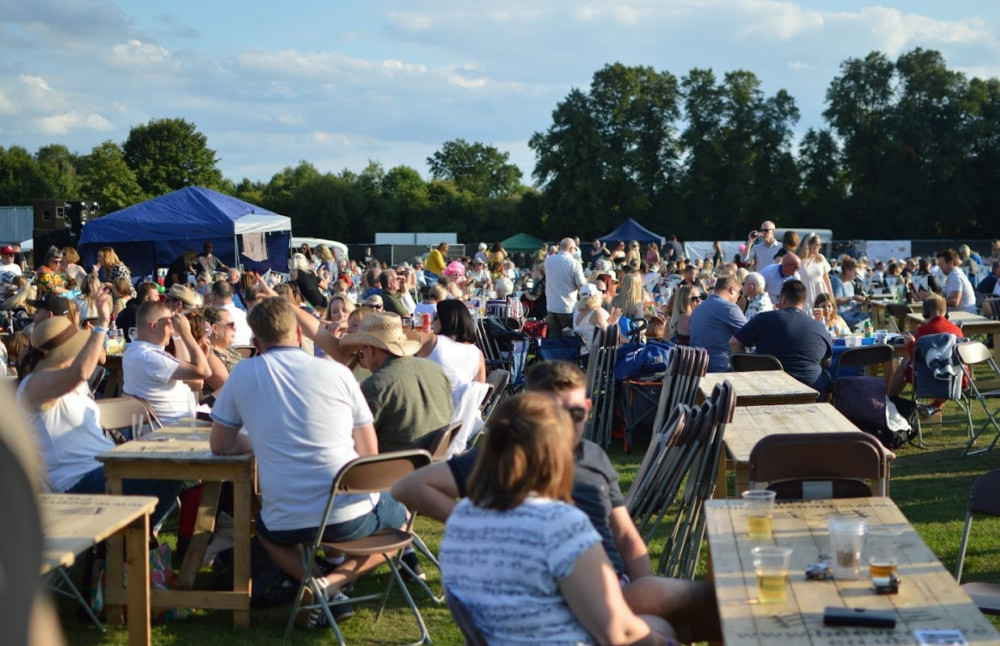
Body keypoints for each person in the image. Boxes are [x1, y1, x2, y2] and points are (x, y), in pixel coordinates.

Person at [394, 361, 719, 643]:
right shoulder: (555, 522)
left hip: (594, 592)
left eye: (573, 414)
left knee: (660, 602)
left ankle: (738, 610)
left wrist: (481, 525)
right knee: (664, 622)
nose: (563, 428)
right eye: (552, 418)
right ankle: (741, 611)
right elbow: (617, 634)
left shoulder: (469, 520)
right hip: (576, 601)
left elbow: (625, 535)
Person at [209, 296, 405, 628]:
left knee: (270, 536)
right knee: (401, 523)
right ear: (299, 335)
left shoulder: (243, 373)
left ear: (255, 343)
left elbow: (220, 445)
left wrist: (260, 441)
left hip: (285, 521)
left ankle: (318, 583)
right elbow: (369, 452)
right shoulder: (338, 373)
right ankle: (333, 584)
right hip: (349, 513)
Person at [16, 293, 181, 530]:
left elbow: (86, 369)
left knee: (169, 469)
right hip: (76, 484)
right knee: (165, 477)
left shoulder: (66, 382)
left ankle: (125, 550)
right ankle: (122, 552)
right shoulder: (33, 385)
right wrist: (102, 325)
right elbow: (82, 371)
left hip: (105, 468)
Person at [339, 312, 453, 451]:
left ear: (372, 350)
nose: (362, 358)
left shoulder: (376, 385)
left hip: (391, 468)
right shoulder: (436, 370)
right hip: (437, 465)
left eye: (362, 352)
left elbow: (351, 441)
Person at [730, 279, 832, 398]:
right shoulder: (819, 326)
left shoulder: (764, 319)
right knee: (826, 376)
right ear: (803, 302)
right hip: (810, 391)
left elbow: (734, 343)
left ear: (783, 298)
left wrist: (746, 370)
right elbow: (827, 362)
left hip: (770, 389)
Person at [123, 300, 211, 425]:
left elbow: (188, 378)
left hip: (182, 421)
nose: (172, 328)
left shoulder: (134, 351)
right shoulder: (151, 357)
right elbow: (204, 371)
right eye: (169, 324)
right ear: (154, 326)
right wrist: (186, 334)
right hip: (177, 427)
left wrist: (177, 336)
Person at [887, 294, 964, 418]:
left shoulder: (923, 331)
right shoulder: (957, 330)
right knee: (946, 374)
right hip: (955, 379)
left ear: (925, 313)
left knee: (905, 362)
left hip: (927, 377)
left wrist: (910, 343)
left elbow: (915, 357)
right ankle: (935, 406)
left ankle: (890, 399)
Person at [417, 299, 486, 407]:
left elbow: (400, 339)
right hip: (464, 419)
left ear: (446, 320)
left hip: (432, 416)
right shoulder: (478, 354)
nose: (432, 321)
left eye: (436, 317)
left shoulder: (434, 342)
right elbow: (478, 397)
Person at [690, 274, 747, 372]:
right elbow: (749, 334)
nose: (738, 298)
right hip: (721, 369)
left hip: (697, 368)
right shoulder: (729, 308)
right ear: (732, 289)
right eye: (739, 293)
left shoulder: (698, 308)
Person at [544, 238, 587, 338]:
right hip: (568, 307)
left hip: (551, 306)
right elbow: (582, 285)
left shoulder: (548, 261)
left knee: (554, 338)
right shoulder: (575, 263)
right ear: (572, 248)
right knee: (569, 340)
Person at [573, 283, 621, 353]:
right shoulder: (595, 312)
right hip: (594, 356)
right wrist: (613, 321)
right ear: (596, 296)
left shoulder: (577, 312)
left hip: (581, 353)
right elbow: (608, 335)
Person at [796, 233, 834, 311]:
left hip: (821, 294)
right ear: (809, 245)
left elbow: (826, 279)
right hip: (806, 295)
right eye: (818, 244)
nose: (820, 247)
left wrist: (831, 297)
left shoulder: (820, 258)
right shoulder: (799, 261)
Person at [830, 257, 869, 330]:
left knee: (873, 315)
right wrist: (853, 298)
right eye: (854, 273)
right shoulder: (836, 281)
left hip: (852, 313)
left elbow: (851, 302)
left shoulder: (850, 282)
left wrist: (860, 303)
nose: (856, 275)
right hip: (843, 316)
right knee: (871, 318)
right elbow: (835, 300)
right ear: (847, 271)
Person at [933, 248, 976, 314]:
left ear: (951, 263)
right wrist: (930, 296)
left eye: (941, 264)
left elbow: (954, 302)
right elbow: (943, 294)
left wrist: (934, 299)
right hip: (959, 316)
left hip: (964, 319)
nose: (939, 267)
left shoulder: (956, 277)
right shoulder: (952, 275)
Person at [209, 280, 252, 346]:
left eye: (210, 294)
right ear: (231, 296)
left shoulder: (216, 316)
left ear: (214, 295)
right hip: (247, 352)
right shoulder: (242, 313)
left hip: (226, 353)